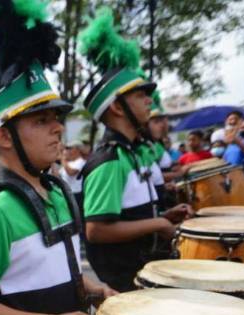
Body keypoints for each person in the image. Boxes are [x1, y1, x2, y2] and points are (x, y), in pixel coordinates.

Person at [0, 0, 115, 315]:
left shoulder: (57, 192)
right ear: (3, 136)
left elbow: (51, 269)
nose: (57, 129)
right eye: (41, 121)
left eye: (57, 119)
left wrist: (92, 287)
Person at [78, 8, 191, 292]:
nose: (149, 102)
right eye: (140, 96)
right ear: (117, 107)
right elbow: (96, 231)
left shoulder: (130, 152)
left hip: (147, 267)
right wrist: (157, 224)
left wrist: (163, 218)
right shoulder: (109, 160)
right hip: (127, 280)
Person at [59, 142, 86, 211]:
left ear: (77, 150)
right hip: (66, 193)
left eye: (70, 148)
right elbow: (58, 175)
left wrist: (62, 158)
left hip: (76, 194)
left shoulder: (81, 161)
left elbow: (71, 172)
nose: (67, 150)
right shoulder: (69, 163)